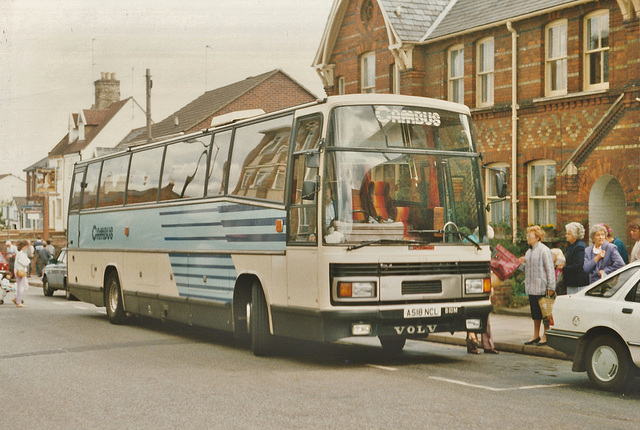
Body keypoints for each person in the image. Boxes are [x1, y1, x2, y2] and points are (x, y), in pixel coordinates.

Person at [519, 225, 555, 346]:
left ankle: (545, 334)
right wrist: (519, 264)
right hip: (531, 287)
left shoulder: (544, 250)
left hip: (542, 287)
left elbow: (550, 269)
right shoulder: (529, 252)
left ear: (537, 237)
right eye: (527, 235)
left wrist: (551, 287)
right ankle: (535, 335)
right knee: (535, 313)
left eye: (530, 235)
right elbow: (527, 268)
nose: (528, 237)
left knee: (545, 313)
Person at [557, 222, 589, 294]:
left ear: (575, 235)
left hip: (578, 283)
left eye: (568, 234)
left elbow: (579, 266)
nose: (566, 236)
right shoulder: (572, 245)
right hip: (572, 283)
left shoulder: (579, 247)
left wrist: (563, 268)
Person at [13, 240, 30, 308]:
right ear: (23, 246)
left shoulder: (20, 253)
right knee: (22, 287)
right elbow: (25, 262)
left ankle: (17, 299)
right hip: (20, 271)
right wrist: (28, 261)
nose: (26, 248)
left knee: (22, 286)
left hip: (20, 271)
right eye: (26, 246)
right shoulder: (21, 254)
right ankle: (18, 301)